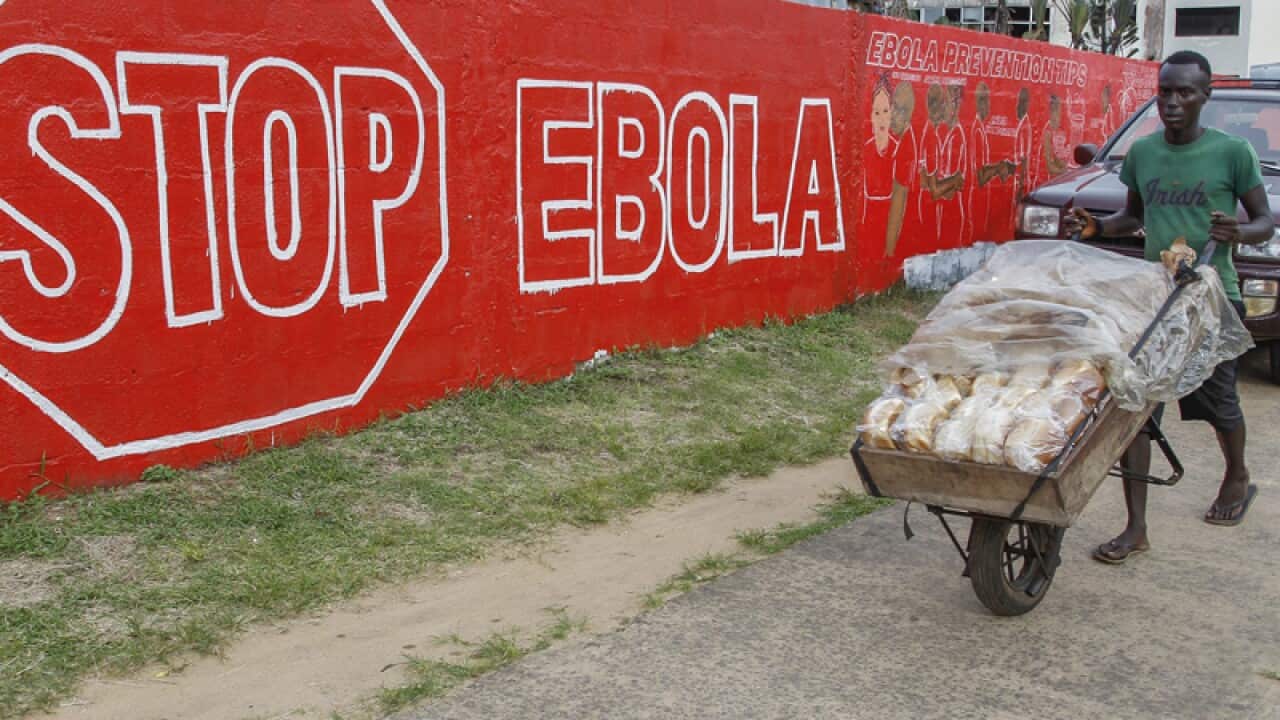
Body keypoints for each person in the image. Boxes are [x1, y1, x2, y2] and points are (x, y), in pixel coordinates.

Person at [1063, 50, 1274, 563]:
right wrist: (1096, 227)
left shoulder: (1232, 152)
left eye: (1185, 93)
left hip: (1212, 296)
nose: (1174, 102)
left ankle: (1237, 477)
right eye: (1166, 92)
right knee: (1136, 408)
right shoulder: (1143, 154)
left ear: (1205, 96)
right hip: (1157, 299)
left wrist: (1237, 232)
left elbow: (1264, 221)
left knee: (1219, 402)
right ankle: (1136, 528)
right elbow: (1133, 220)